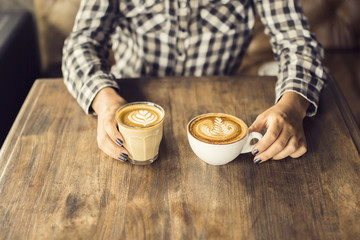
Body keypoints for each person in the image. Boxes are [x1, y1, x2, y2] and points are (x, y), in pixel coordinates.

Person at [62, 0, 327, 164]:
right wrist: (105, 101)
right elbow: (81, 44)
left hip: (222, 104)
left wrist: (293, 104)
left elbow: (297, 41)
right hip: (130, 101)